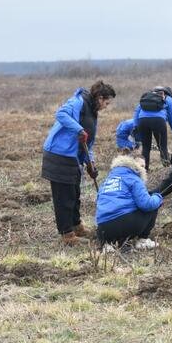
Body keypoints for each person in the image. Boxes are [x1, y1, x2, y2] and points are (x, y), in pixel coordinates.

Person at [42, 81, 117, 246]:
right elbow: (61, 114)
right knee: (64, 196)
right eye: (106, 103)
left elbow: (87, 142)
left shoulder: (92, 111)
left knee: (75, 193)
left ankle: (77, 226)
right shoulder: (78, 101)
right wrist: (78, 129)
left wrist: (90, 162)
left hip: (73, 156)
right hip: (59, 153)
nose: (106, 107)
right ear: (99, 97)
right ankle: (67, 234)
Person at [95, 155, 163, 250]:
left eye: (144, 166)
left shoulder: (107, 181)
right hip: (124, 223)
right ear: (133, 165)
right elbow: (146, 204)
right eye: (141, 166)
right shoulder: (134, 178)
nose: (144, 169)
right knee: (152, 202)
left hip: (102, 228)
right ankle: (143, 240)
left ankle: (109, 244)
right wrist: (158, 197)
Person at [134, 86, 172, 170]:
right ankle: (166, 168)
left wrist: (135, 126)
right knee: (162, 146)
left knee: (146, 147)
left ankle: (144, 170)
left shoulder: (147, 98)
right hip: (158, 121)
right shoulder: (168, 99)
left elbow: (137, 111)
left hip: (142, 121)